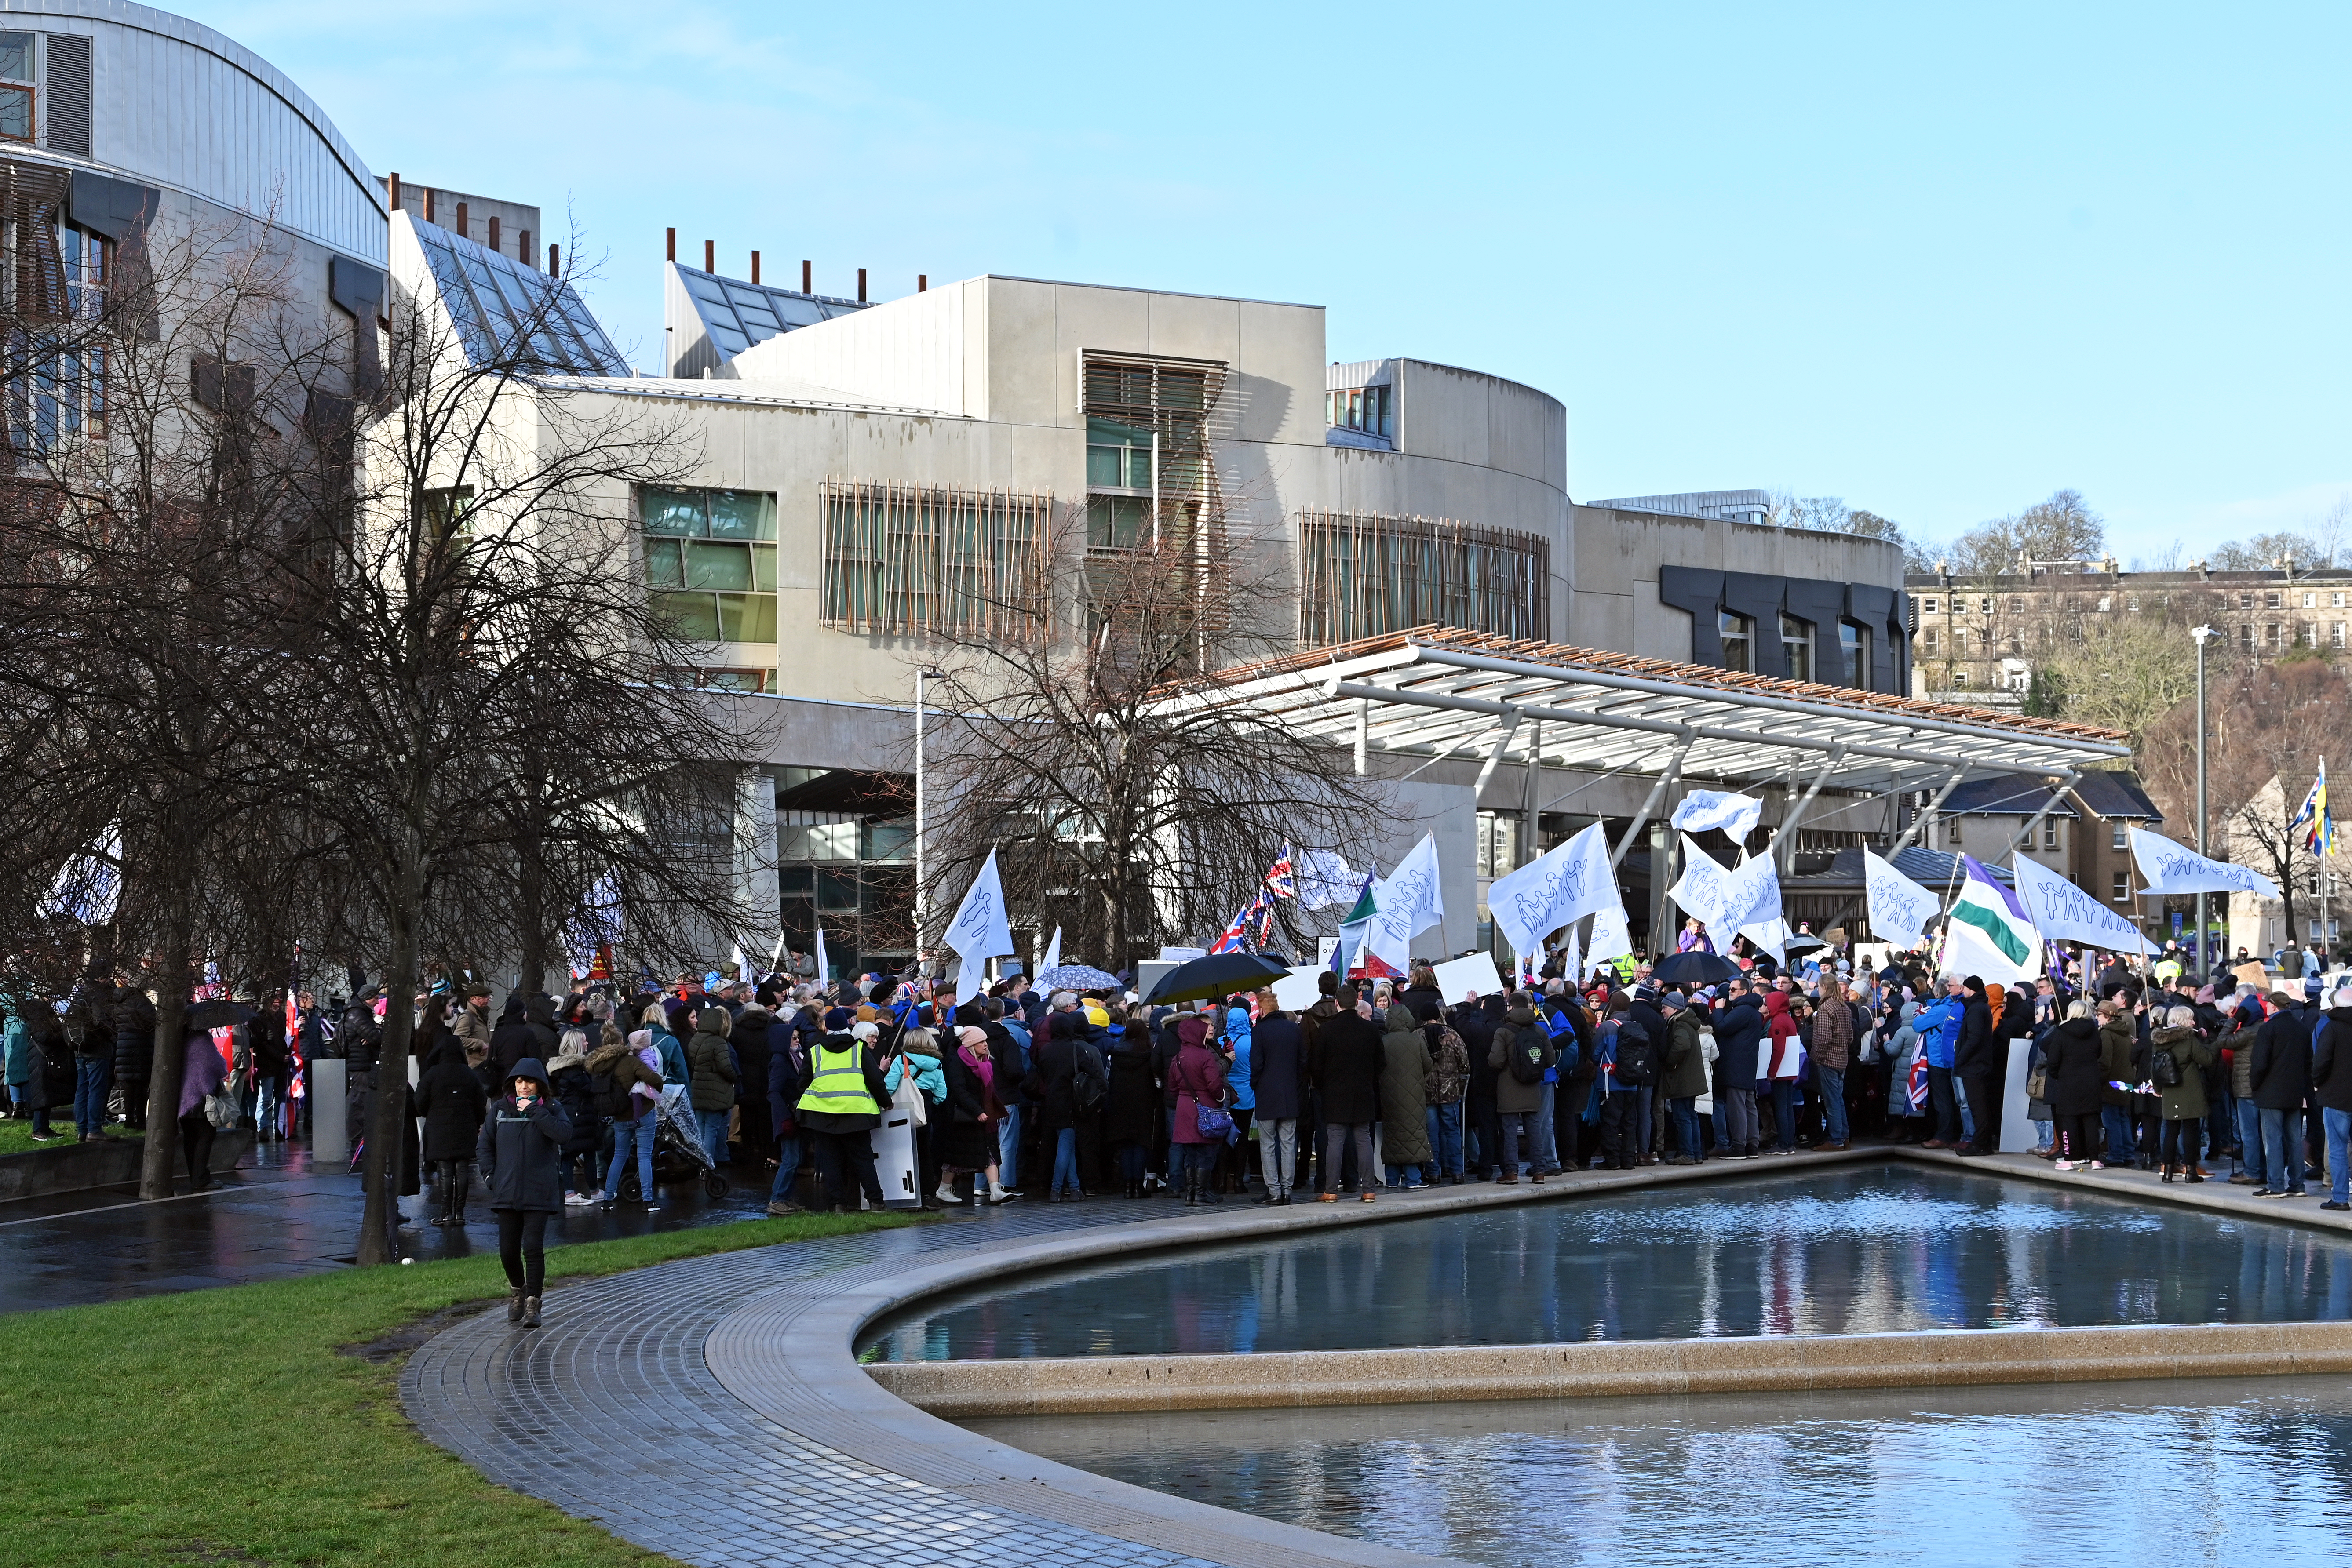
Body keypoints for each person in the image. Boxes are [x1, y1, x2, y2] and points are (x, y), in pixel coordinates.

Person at [475, 1057, 573, 1329]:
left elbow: (564, 1134)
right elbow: (484, 1146)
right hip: (505, 1191)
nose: (524, 1086)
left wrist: (536, 1112)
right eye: (519, 1081)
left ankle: (533, 1303)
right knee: (508, 1252)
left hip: (539, 1191)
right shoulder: (499, 1110)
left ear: (540, 1085)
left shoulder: (551, 1108)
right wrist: (490, 1177)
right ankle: (518, 1290)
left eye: (529, 1081)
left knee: (532, 1248)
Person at [1314, 982, 1387, 1200]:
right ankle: (1368, 1191)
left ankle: (1330, 1191)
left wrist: (1325, 1084)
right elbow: (1381, 1063)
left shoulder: (1326, 1030)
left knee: (1335, 1140)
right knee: (1363, 1139)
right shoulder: (1371, 1029)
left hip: (1335, 1092)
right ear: (1357, 1003)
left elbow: (1316, 1065)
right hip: (1363, 1090)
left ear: (1337, 1004)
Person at [938, 1022, 1014, 1207]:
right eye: (981, 1042)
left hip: (984, 1117)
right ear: (971, 1045)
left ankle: (995, 1189)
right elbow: (958, 1090)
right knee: (957, 1157)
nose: (986, 1045)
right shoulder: (958, 1062)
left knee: (989, 1152)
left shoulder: (986, 1062)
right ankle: (943, 1189)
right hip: (966, 1118)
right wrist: (977, 1110)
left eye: (986, 1041)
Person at [2250, 989, 2314, 1198]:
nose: (2267, 1007)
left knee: (2273, 1140)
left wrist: (2255, 1086)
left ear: (2274, 1007)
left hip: (2271, 1093)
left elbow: (2259, 1064)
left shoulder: (2268, 1030)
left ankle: (2276, 1185)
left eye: (2269, 1004)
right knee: (2294, 1139)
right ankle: (2297, 1184)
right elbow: (2308, 1063)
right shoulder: (2302, 1029)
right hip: (2295, 1092)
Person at [418, 1037, 488, 1224]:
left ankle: (445, 1213)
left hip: (439, 1130)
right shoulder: (469, 1074)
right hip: (465, 1129)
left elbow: (419, 1104)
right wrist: (477, 1123)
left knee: (445, 1172)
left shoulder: (432, 1074)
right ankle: (459, 1213)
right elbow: (481, 1103)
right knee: (462, 1170)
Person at [1486, 992, 1554, 1185]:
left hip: (1509, 1091)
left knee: (1509, 1133)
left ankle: (1512, 1173)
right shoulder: (1539, 1031)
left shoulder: (1503, 1031)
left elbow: (1496, 1061)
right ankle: (1539, 1172)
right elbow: (1550, 1060)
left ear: (1512, 1008)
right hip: (1532, 1088)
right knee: (1535, 1131)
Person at [597, 1026, 667, 1210]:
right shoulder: (629, 1061)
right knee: (644, 1157)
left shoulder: (600, 1063)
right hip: (642, 1112)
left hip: (620, 1116)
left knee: (618, 1156)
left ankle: (608, 1199)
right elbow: (653, 1079)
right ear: (621, 1042)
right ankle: (648, 1200)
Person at [1167, 1012, 1229, 1206]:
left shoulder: (1177, 1058)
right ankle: (1201, 1194)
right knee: (1206, 1153)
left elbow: (1172, 1088)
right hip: (1205, 1106)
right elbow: (1214, 1085)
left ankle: (1191, 1194)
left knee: (1190, 1154)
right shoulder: (1204, 1056)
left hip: (1184, 1108)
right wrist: (1222, 1097)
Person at [2150, 1004, 2214, 1183]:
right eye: (2191, 1019)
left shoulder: (2159, 1041)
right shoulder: (2189, 1040)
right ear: (2184, 1021)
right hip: (2189, 1090)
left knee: (2171, 1130)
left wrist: (2158, 1089)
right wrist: (2207, 1041)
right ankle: (2190, 1172)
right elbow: (2207, 1060)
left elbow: (2154, 1068)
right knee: (2190, 1131)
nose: (2194, 1022)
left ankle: (2168, 1173)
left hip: (2169, 1090)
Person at [1375, 1003, 1432, 1188]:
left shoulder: (1383, 1041)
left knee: (1392, 1136)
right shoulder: (1416, 1040)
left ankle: (1391, 1179)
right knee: (1413, 1134)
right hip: (1414, 1096)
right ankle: (1413, 1178)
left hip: (1389, 1096)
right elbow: (1428, 1065)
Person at [2044, 1001, 2107, 1170]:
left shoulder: (2062, 1032)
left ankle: (2069, 1159)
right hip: (2091, 1081)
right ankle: (2095, 1160)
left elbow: (2053, 1060)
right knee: (2091, 1121)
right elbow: (2099, 1053)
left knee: (2068, 1121)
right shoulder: (2094, 1032)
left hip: (2068, 1081)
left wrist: (2057, 1075)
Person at [1417, 997, 1470, 1184]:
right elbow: (1465, 1064)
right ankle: (1457, 1172)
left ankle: (1434, 1173)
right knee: (1453, 1131)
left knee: (1431, 1133)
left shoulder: (1417, 1036)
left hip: (1427, 1092)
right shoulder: (1452, 1035)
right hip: (1450, 1092)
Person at [2310, 985, 2352, 1211]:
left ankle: (2341, 1197)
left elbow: (2321, 1062)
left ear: (2336, 1005)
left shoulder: (2332, 1028)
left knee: (2337, 1148)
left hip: (2336, 1096)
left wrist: (2318, 1083)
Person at [685, 1005, 738, 1171]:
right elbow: (726, 1067)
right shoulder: (718, 1042)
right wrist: (735, 1077)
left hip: (698, 1088)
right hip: (717, 1091)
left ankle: (698, 1161)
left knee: (700, 1128)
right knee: (713, 1130)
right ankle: (707, 1164)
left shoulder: (695, 1039)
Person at [1659, 991, 1709, 1163]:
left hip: (1682, 1079)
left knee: (1682, 1117)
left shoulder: (1679, 1024)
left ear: (1674, 1008)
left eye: (1665, 1007)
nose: (1663, 1011)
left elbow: (1682, 1045)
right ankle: (1696, 1154)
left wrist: (1671, 1063)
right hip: (1691, 1079)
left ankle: (1688, 1154)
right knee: (1691, 1115)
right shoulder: (1688, 1022)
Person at [178, 1025, 228, 1190]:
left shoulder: (181, 1040)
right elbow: (220, 1067)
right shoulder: (203, 1041)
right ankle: (201, 1178)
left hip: (183, 1099)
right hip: (199, 1098)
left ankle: (195, 1177)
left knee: (190, 1137)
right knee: (207, 1135)